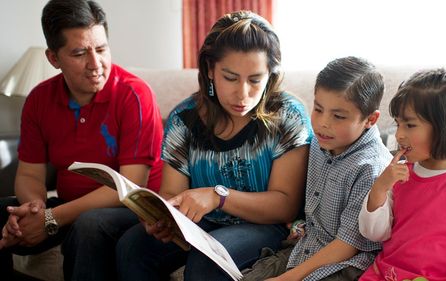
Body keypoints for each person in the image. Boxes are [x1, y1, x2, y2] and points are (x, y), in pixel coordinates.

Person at [115, 10, 313, 281]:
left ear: (270, 75)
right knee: (132, 248)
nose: (242, 94)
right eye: (230, 77)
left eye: (255, 80)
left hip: (267, 225)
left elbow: (285, 205)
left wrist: (218, 196)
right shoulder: (184, 119)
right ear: (210, 70)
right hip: (201, 224)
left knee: (207, 262)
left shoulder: (288, 116)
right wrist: (163, 217)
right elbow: (173, 191)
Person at [0, 0, 164, 280]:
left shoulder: (135, 95)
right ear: (53, 58)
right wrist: (35, 208)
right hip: (69, 205)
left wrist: (51, 219)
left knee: (89, 225)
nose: (95, 64)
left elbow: (130, 187)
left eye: (101, 49)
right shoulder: (39, 99)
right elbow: (29, 173)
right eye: (79, 53)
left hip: (130, 209)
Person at [243, 56, 393, 281]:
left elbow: (348, 245)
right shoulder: (319, 141)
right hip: (307, 245)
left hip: (345, 263)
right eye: (319, 109)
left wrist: (289, 277)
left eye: (338, 116)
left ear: (370, 119)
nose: (323, 123)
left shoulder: (371, 168)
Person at [358, 68, 446, 280]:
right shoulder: (398, 175)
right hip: (387, 274)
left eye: (410, 125)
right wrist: (379, 188)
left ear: (445, 127)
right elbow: (375, 234)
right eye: (398, 124)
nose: (398, 134)